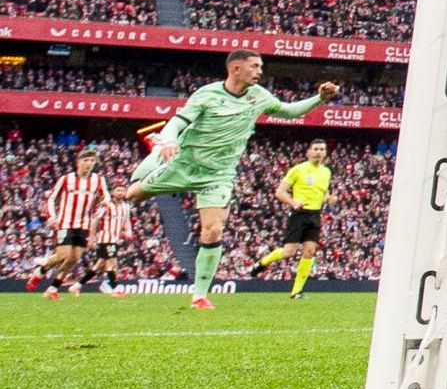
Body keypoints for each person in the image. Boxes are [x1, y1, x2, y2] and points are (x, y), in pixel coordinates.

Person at [116, 50, 337, 310]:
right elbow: (177, 122)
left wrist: (319, 99)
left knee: (213, 230)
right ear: (235, 68)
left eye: (260, 66)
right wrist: (168, 140)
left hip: (218, 175)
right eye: (254, 66)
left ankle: (199, 295)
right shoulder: (207, 94)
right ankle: (154, 156)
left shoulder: (259, 95)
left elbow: (288, 111)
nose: (260, 71)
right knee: (133, 195)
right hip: (184, 164)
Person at [247, 140, 333, 299]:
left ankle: (296, 292)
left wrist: (329, 198)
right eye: (315, 149)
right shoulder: (298, 170)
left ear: (325, 152)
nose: (318, 152)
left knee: (310, 251)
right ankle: (263, 262)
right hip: (299, 214)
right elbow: (280, 192)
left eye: (322, 149)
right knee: (289, 252)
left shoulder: (326, 172)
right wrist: (293, 203)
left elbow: (324, 192)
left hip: (315, 215)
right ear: (309, 152)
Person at [25, 148, 109, 301]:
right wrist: (52, 216)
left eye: (92, 161)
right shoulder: (66, 179)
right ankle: (39, 271)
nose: (89, 163)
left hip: (84, 225)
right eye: (86, 160)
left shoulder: (98, 180)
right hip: (65, 223)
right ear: (78, 162)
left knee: (74, 259)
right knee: (63, 255)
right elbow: (51, 198)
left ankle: (52, 289)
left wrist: (104, 203)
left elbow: (106, 197)